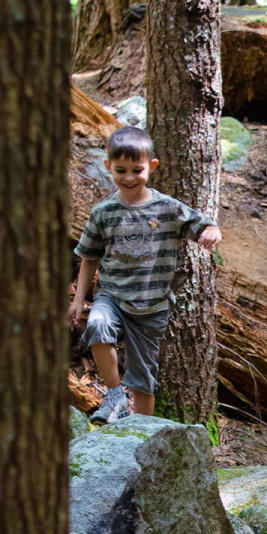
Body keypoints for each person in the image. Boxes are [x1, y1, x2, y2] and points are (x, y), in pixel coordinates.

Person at [68, 125, 223, 422]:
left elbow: (203, 223)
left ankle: (142, 436)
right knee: (97, 325)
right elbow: (89, 258)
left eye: (136, 170)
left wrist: (212, 230)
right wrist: (77, 300)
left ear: (151, 167)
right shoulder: (103, 212)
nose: (128, 178)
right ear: (108, 167)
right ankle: (114, 396)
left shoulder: (167, 208)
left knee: (144, 377)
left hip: (151, 308)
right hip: (111, 296)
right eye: (120, 170)